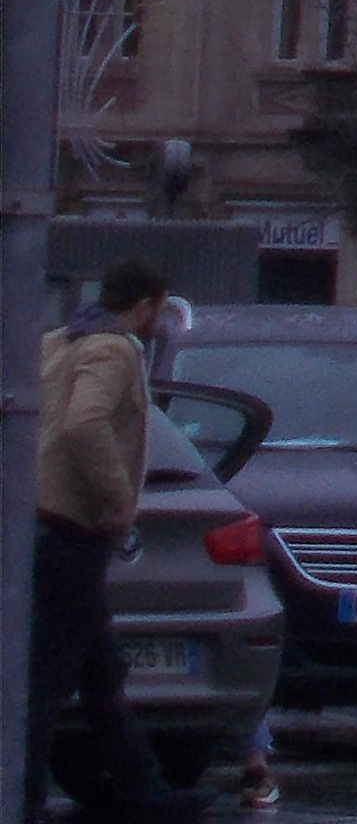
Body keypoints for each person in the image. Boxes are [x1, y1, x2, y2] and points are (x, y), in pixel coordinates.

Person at [32, 259, 178, 824]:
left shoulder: (57, 342)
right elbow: (82, 423)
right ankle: (23, 797)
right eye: (157, 312)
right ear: (144, 306)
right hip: (73, 530)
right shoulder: (113, 349)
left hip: (44, 525)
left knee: (100, 676)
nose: (156, 323)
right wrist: (117, 497)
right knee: (47, 679)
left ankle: (149, 795)